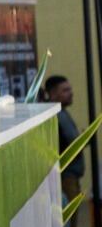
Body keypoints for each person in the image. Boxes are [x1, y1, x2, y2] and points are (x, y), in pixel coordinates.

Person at [46, 75, 85, 209]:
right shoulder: (53, 117)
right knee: (68, 220)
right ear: (53, 93)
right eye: (65, 90)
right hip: (65, 178)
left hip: (71, 177)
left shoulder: (62, 113)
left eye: (70, 89)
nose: (71, 93)